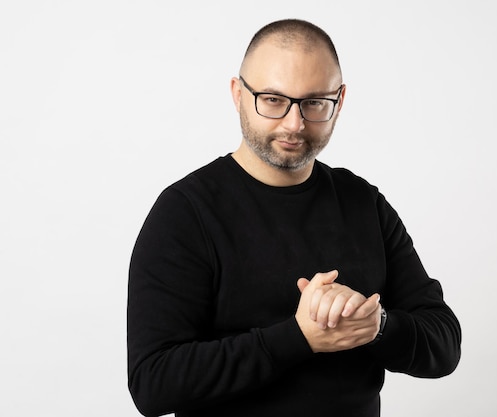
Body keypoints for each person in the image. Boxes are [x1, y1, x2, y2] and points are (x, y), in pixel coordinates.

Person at [127, 18, 461, 417]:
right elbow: (153, 384)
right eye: (272, 99)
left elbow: (444, 346)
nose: (294, 124)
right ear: (238, 94)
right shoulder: (185, 213)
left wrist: (378, 325)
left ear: (339, 100)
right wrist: (299, 337)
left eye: (314, 103)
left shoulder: (362, 203)